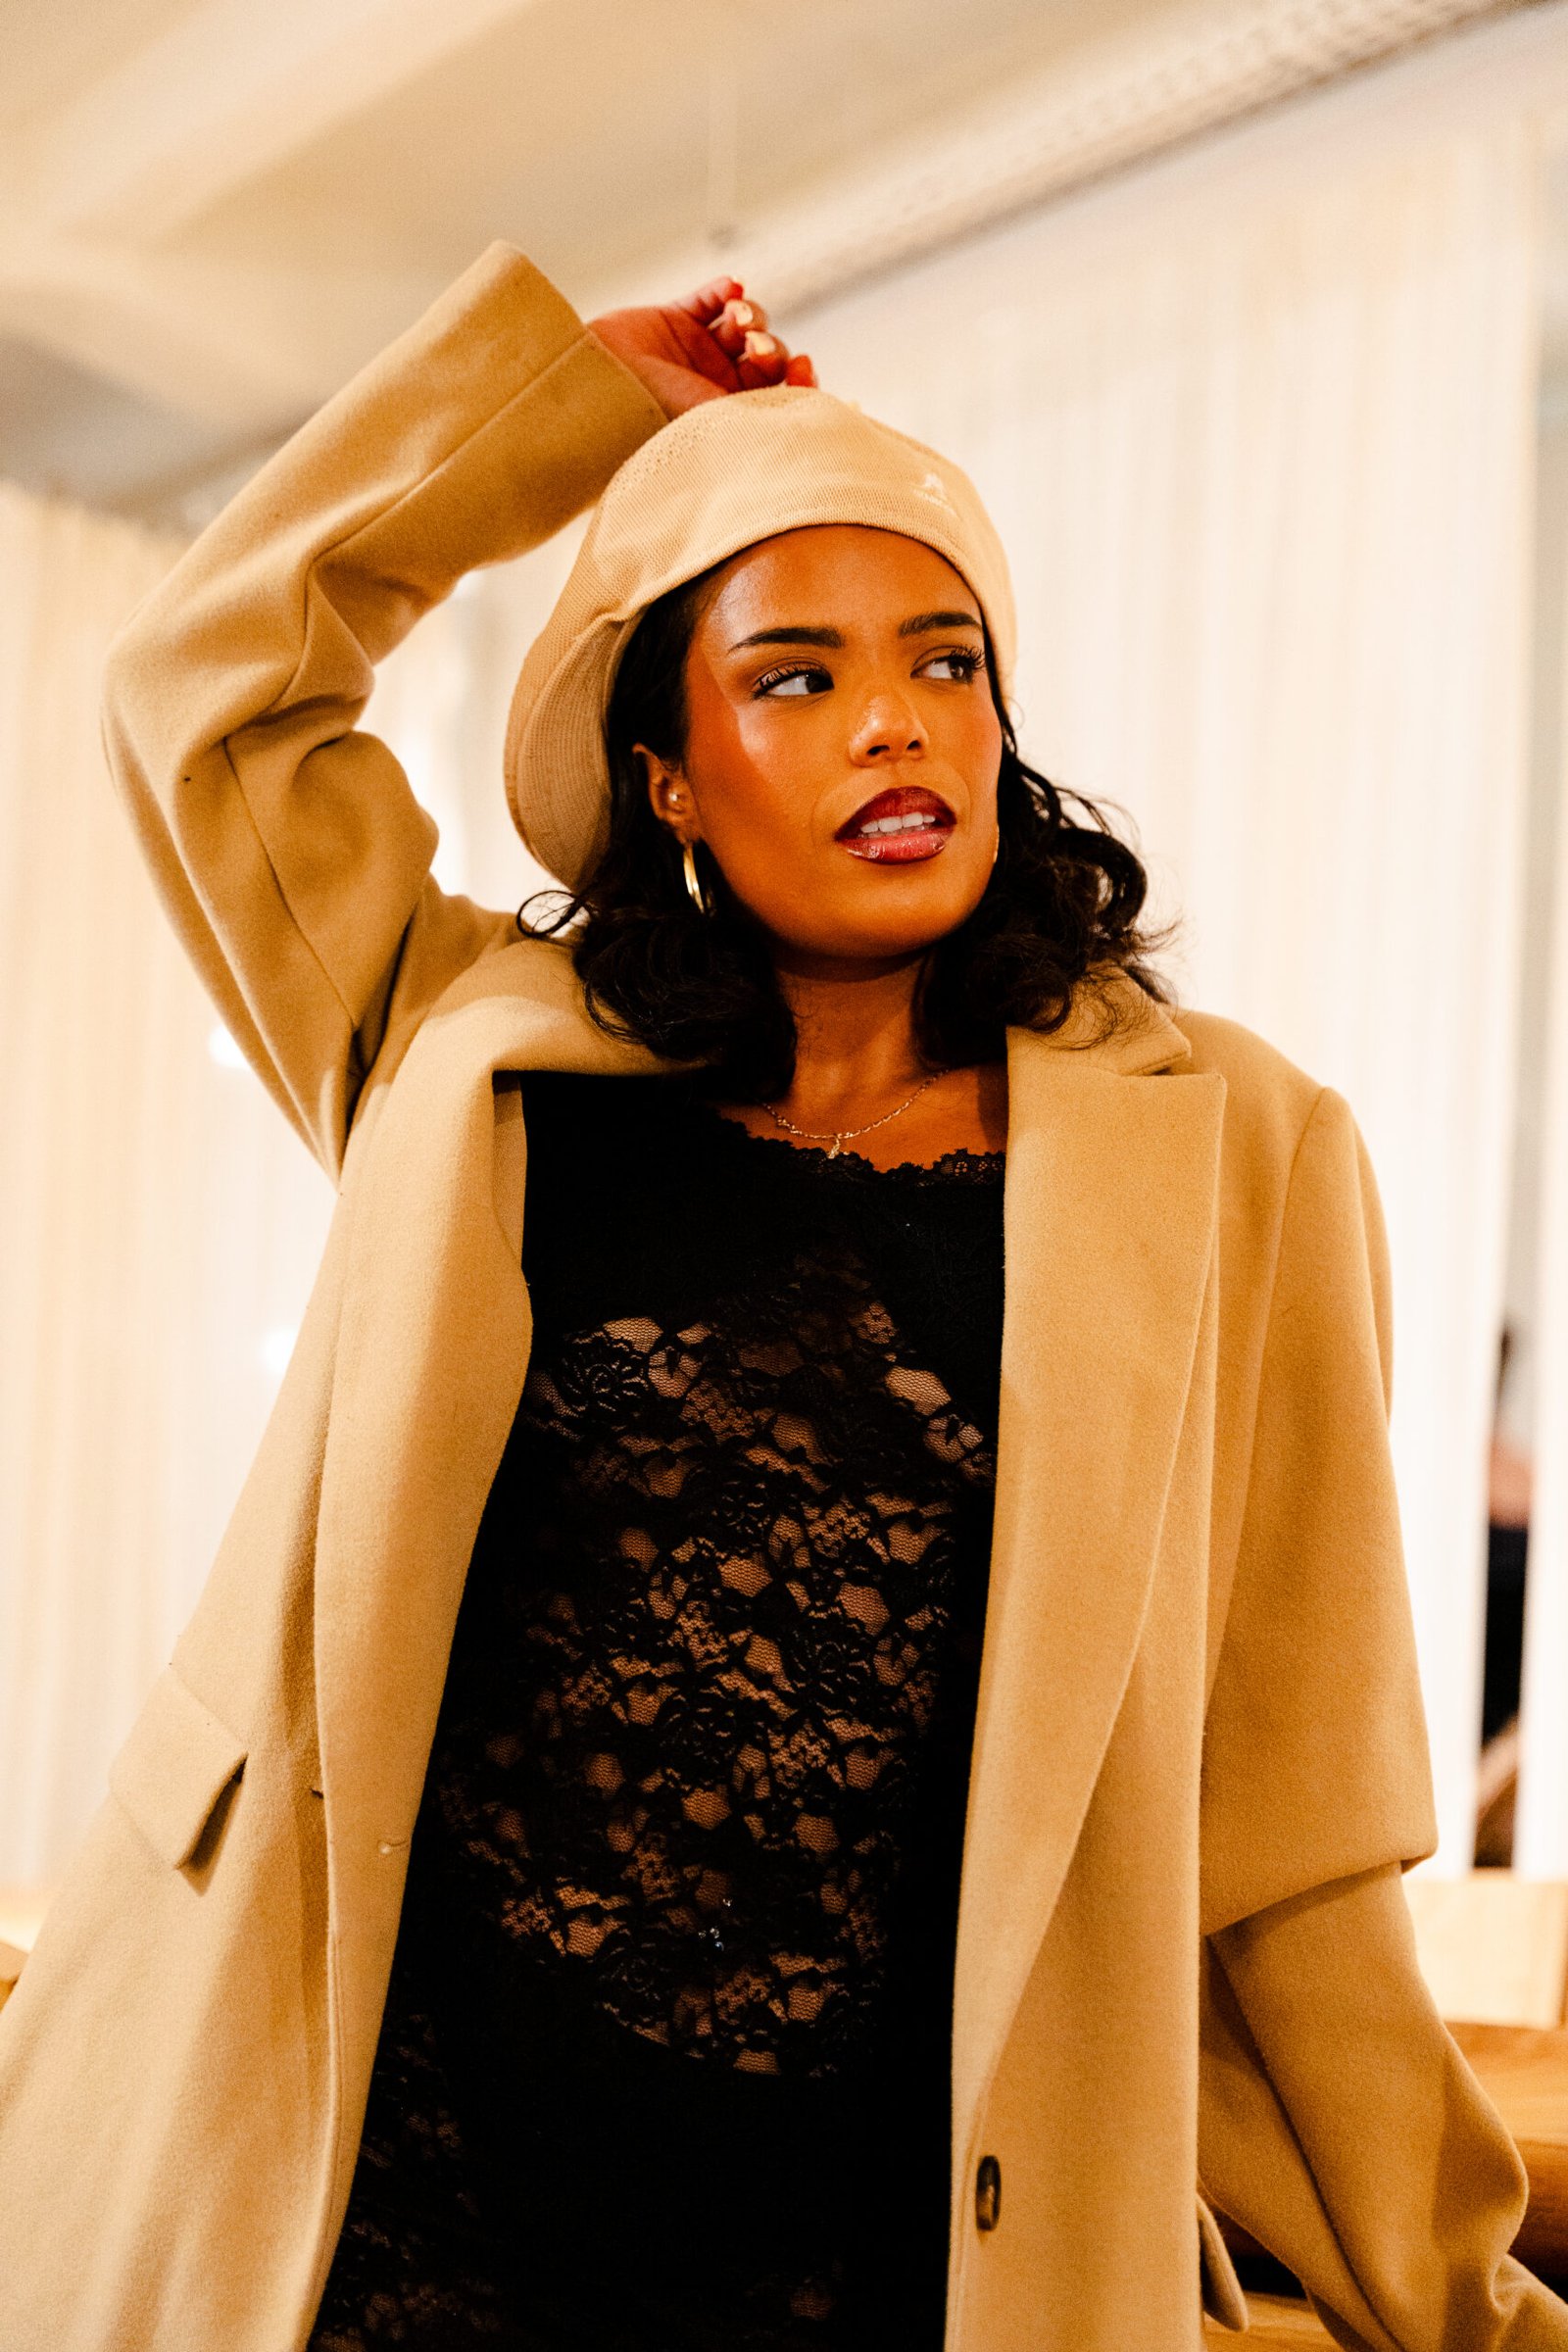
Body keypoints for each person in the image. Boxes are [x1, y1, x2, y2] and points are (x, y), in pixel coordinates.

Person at [0, 243, 1561, 2352]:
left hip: (880, 2258)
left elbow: (1289, 1827)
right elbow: (204, 684)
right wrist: (551, 407)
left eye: (943, 662)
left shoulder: (1235, 1156)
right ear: (667, 774)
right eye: (794, 678)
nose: (892, 720)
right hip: (385, 2211)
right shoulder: (468, 1053)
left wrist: (1455, 2303)